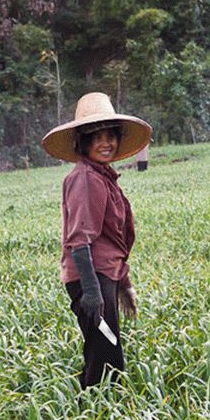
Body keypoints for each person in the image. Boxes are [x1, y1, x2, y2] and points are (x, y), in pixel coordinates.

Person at [42, 92, 152, 389]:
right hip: (92, 278)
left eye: (111, 135)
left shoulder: (102, 177)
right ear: (84, 142)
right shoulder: (86, 178)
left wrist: (123, 285)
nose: (106, 143)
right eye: (97, 136)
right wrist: (93, 293)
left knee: (106, 350)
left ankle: (100, 415)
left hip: (105, 276)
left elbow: (112, 240)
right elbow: (80, 242)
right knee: (105, 356)